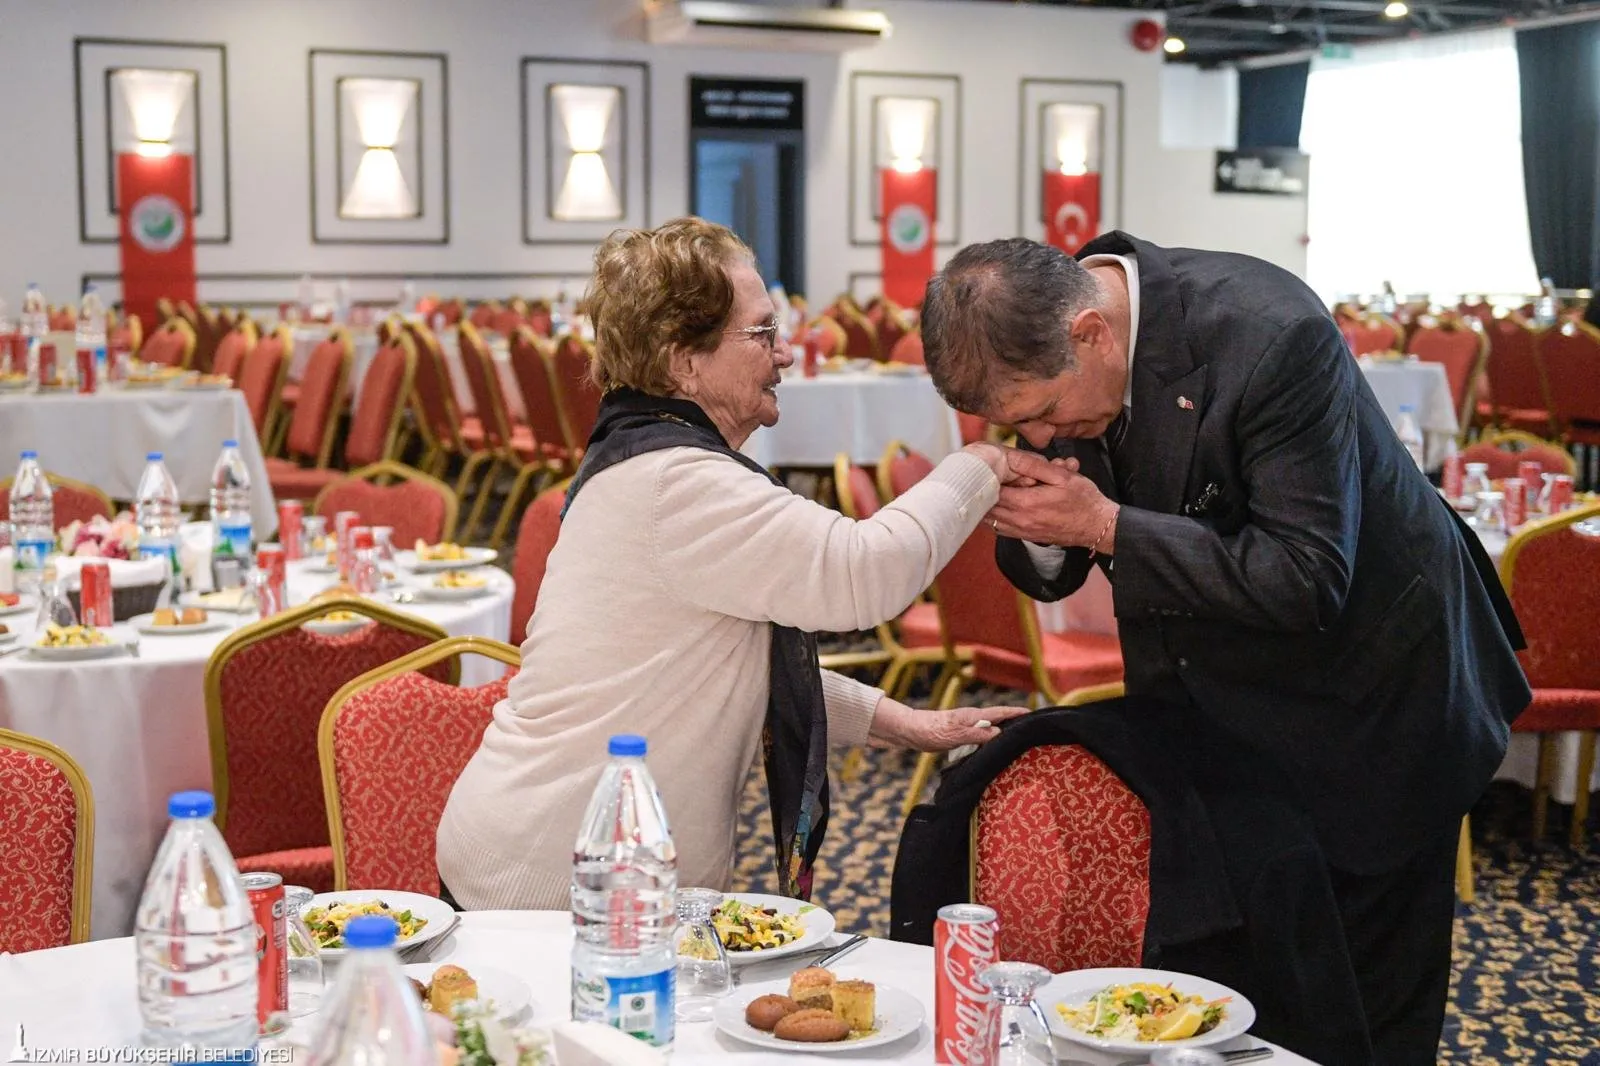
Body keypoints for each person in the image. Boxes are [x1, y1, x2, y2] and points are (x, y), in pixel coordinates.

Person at [918, 232, 1530, 1064]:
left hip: (1378, 705)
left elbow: (1307, 576)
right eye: (1020, 426)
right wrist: (1049, 526)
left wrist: (1100, 524)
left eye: (1045, 414)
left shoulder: (1273, 335)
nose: (1046, 435)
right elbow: (1051, 568)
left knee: (1365, 1012)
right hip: (1215, 714)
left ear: (1094, 333)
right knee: (1246, 998)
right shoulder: (1056, 351)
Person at [438, 218, 1050, 910]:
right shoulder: (680, 484)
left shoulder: (648, 458)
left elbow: (728, 665)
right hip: (551, 886)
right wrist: (983, 462)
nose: (784, 355)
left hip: (584, 868)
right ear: (682, 359)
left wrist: (901, 723)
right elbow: (865, 574)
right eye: (761, 333)